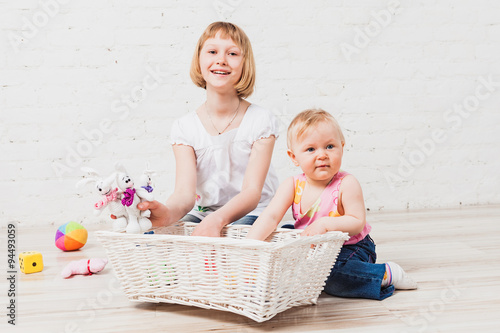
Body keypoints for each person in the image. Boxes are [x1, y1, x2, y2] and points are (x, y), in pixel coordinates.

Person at [246, 109, 417, 300]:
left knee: (332, 276)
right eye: (311, 149)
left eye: (329, 146)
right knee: (284, 235)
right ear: (294, 157)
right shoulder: (292, 185)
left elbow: (356, 222)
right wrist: (250, 246)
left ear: (341, 147)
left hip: (350, 247)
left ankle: (384, 273)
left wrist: (325, 224)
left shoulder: (346, 183)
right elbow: (270, 217)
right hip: (313, 247)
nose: (322, 155)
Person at [138, 22, 280, 237]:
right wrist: (167, 215)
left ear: (245, 64)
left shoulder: (261, 120)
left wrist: (218, 220)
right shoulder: (185, 127)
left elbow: (252, 193)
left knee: (237, 241)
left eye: (232, 53)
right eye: (212, 51)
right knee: (153, 239)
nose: (221, 59)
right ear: (199, 60)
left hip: (253, 212)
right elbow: (184, 195)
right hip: (203, 212)